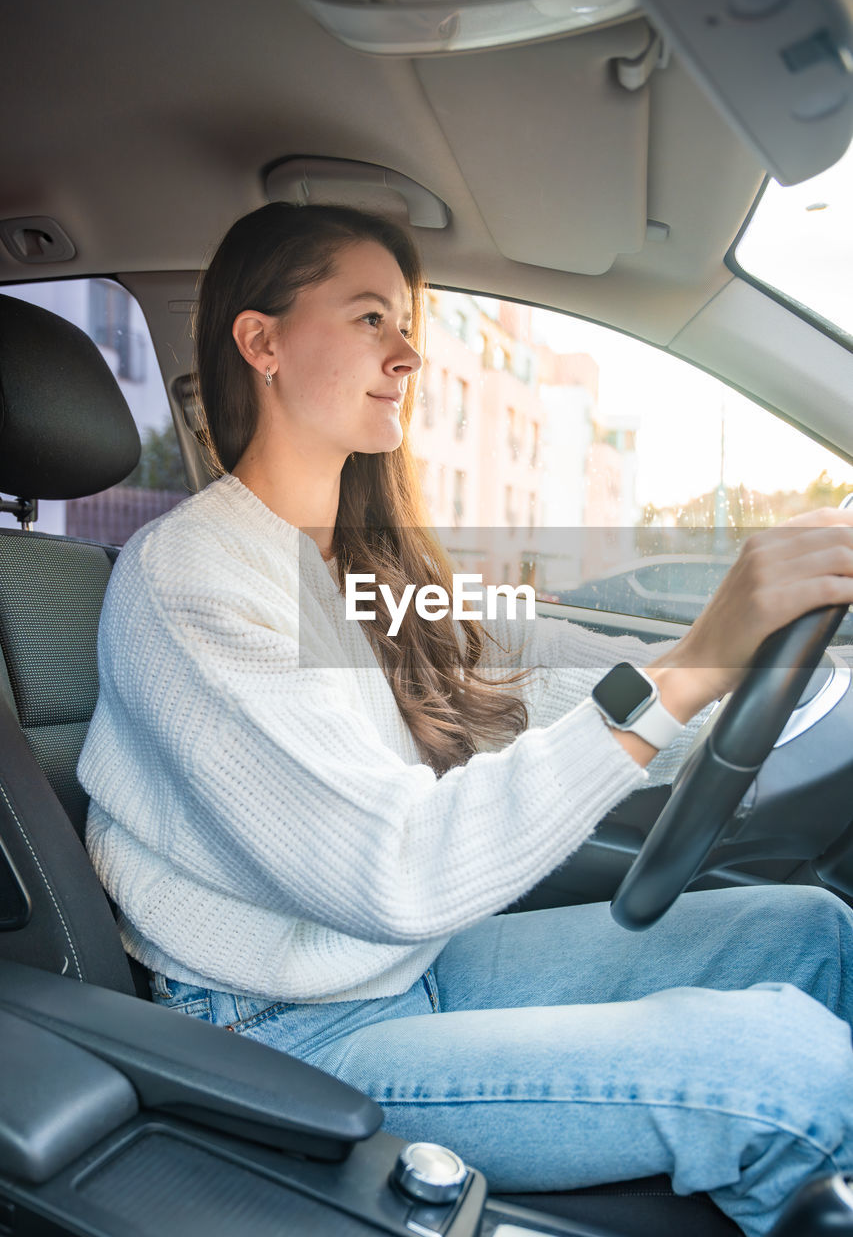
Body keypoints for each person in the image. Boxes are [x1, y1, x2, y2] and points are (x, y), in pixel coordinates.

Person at [78, 201, 853, 1237]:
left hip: (408, 966)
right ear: (261, 341)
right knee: (780, 1069)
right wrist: (676, 675)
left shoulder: (347, 566)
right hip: (282, 1031)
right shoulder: (191, 581)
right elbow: (400, 868)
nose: (407, 356)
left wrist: (745, 667)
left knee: (808, 934)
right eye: (367, 319)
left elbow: (525, 656)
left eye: (406, 325)